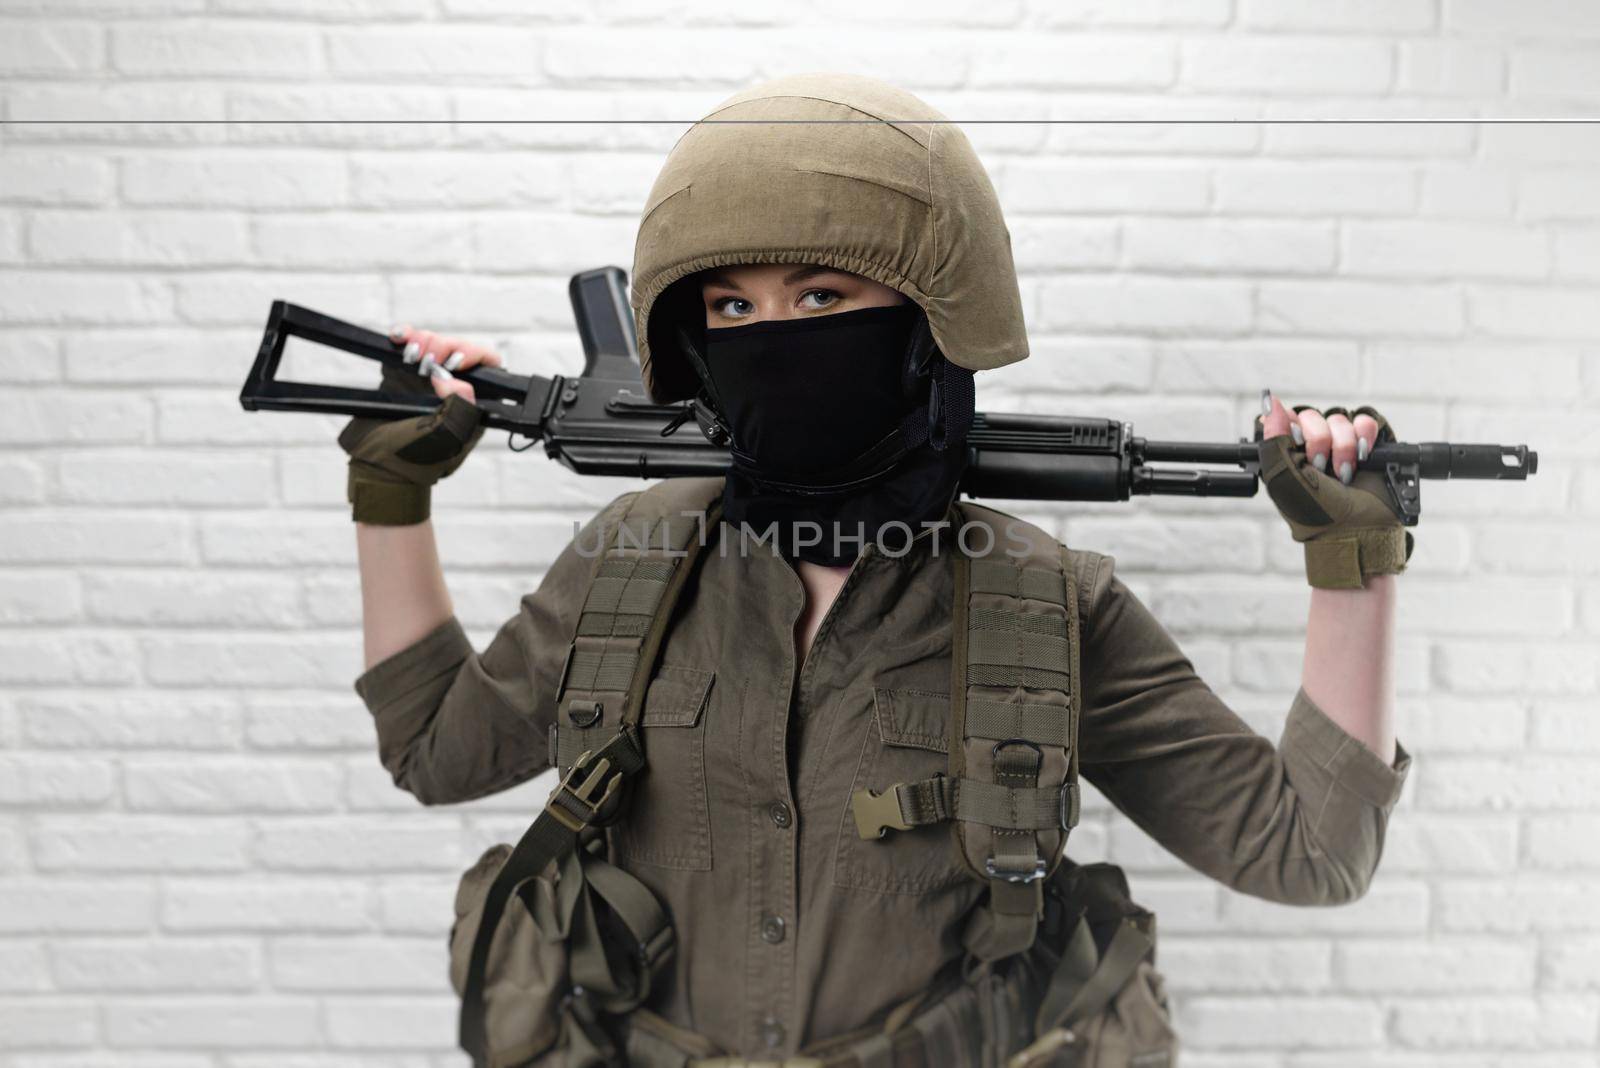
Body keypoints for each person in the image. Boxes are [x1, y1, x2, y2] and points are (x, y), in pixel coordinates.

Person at [338, 73, 1412, 1063]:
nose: (772, 336)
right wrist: (396, 497)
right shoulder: (636, 554)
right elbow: (437, 751)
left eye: (819, 299)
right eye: (732, 307)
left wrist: (1348, 560)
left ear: (927, 329)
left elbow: (1308, 852)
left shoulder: (1039, 600)